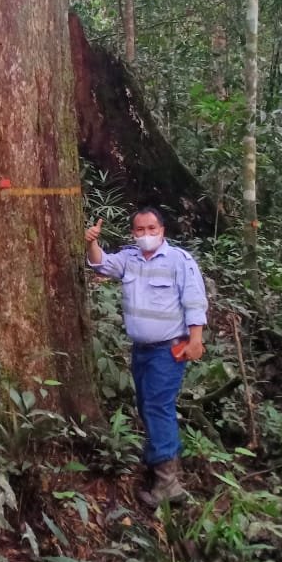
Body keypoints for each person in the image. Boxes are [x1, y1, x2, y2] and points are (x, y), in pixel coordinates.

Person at [85, 206, 208, 506]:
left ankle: (168, 483)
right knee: (147, 405)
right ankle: (158, 468)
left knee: (157, 406)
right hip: (142, 351)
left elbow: (194, 300)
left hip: (169, 349)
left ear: (162, 231)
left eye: (152, 229)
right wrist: (91, 242)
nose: (146, 235)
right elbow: (102, 266)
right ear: (133, 233)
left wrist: (196, 339)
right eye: (140, 230)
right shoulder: (130, 258)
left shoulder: (179, 261)